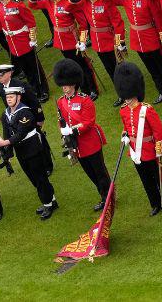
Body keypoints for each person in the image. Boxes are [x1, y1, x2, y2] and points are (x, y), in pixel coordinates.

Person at [52, 58, 111, 211]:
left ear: (74, 84)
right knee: (89, 172)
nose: (64, 88)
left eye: (67, 85)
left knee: (99, 171)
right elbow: (62, 120)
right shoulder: (60, 101)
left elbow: (88, 122)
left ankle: (107, 196)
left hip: (90, 141)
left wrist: (73, 130)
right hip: (76, 144)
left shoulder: (85, 100)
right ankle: (103, 194)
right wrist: (63, 131)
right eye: (63, 85)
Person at [115, 61, 162, 215]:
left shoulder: (147, 109)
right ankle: (155, 203)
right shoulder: (123, 111)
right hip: (135, 151)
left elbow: (158, 131)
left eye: (128, 96)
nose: (126, 99)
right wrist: (125, 135)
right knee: (145, 180)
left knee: (158, 177)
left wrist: (160, 148)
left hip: (149, 149)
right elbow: (127, 127)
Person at [0, 83, 58, 219]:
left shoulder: (25, 112)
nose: (9, 99)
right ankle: (51, 199)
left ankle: (48, 204)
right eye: (7, 97)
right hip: (21, 150)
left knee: (40, 177)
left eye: (11, 96)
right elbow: (7, 132)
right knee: (32, 177)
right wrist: (6, 151)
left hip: (32, 148)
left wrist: (6, 142)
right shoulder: (5, 114)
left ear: (18, 97)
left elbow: (21, 133)